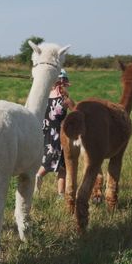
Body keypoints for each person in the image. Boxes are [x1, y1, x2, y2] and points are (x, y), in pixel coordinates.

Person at [35, 69, 75, 198]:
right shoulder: (63, 98)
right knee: (51, 160)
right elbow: (77, 113)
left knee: (62, 166)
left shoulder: (45, 95)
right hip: (56, 134)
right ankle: (38, 177)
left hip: (47, 132)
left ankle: (61, 195)